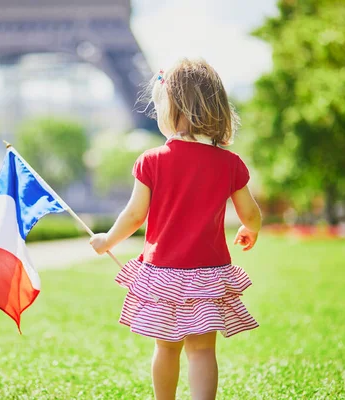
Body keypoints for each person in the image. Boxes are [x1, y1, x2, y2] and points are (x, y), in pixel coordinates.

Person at [90, 58, 262, 400]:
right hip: (208, 273)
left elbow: (134, 215)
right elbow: (252, 213)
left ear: (170, 109)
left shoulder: (152, 160)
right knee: (201, 351)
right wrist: (249, 229)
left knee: (166, 348)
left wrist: (107, 239)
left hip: (163, 272)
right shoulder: (230, 163)